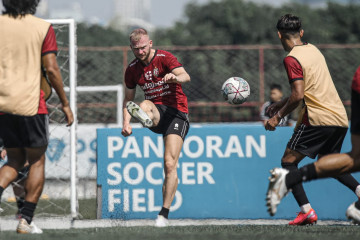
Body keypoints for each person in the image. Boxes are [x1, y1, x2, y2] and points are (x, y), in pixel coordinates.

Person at [264, 14, 360, 225]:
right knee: (330, 163)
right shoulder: (313, 50)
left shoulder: (291, 58)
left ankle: (306, 211)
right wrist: (280, 105)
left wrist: (277, 118)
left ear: (279, 35)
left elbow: (298, 95)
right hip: (339, 117)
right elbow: (307, 89)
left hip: (318, 118)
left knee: (287, 161)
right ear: (302, 33)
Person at [0, 0, 74, 234]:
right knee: (37, 161)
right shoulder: (42, 27)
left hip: (3, 105)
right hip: (31, 105)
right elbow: (51, 68)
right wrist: (64, 103)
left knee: (13, 160)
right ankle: (26, 221)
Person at [121, 28, 190, 227]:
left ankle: (163, 214)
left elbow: (185, 76)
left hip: (177, 114)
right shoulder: (132, 69)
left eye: (143, 47)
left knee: (169, 164)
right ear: (131, 48)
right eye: (136, 49)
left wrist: (175, 78)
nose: (140, 52)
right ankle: (144, 118)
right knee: (143, 105)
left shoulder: (165, 58)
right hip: (155, 113)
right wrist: (125, 123)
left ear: (150, 43)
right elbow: (128, 99)